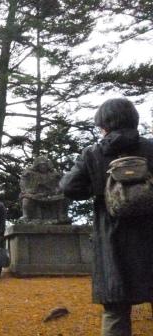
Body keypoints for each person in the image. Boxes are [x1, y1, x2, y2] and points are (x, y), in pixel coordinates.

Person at [60, 98, 153, 336]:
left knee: (115, 312)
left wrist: (98, 188)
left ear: (103, 125)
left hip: (113, 240)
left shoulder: (93, 154)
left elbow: (69, 187)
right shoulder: (150, 148)